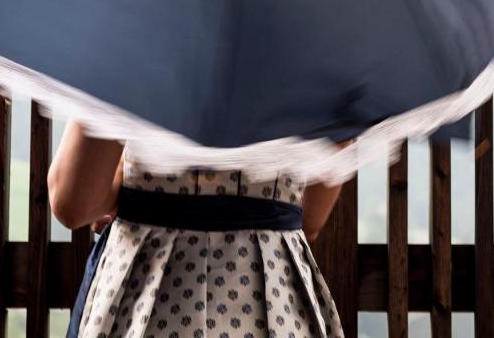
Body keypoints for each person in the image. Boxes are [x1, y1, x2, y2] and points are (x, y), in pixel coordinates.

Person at [48, 122, 349, 338]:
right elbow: (310, 218)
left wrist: (120, 185)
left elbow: (73, 202)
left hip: (147, 286)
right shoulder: (324, 59)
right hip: (274, 292)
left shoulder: (135, 50)